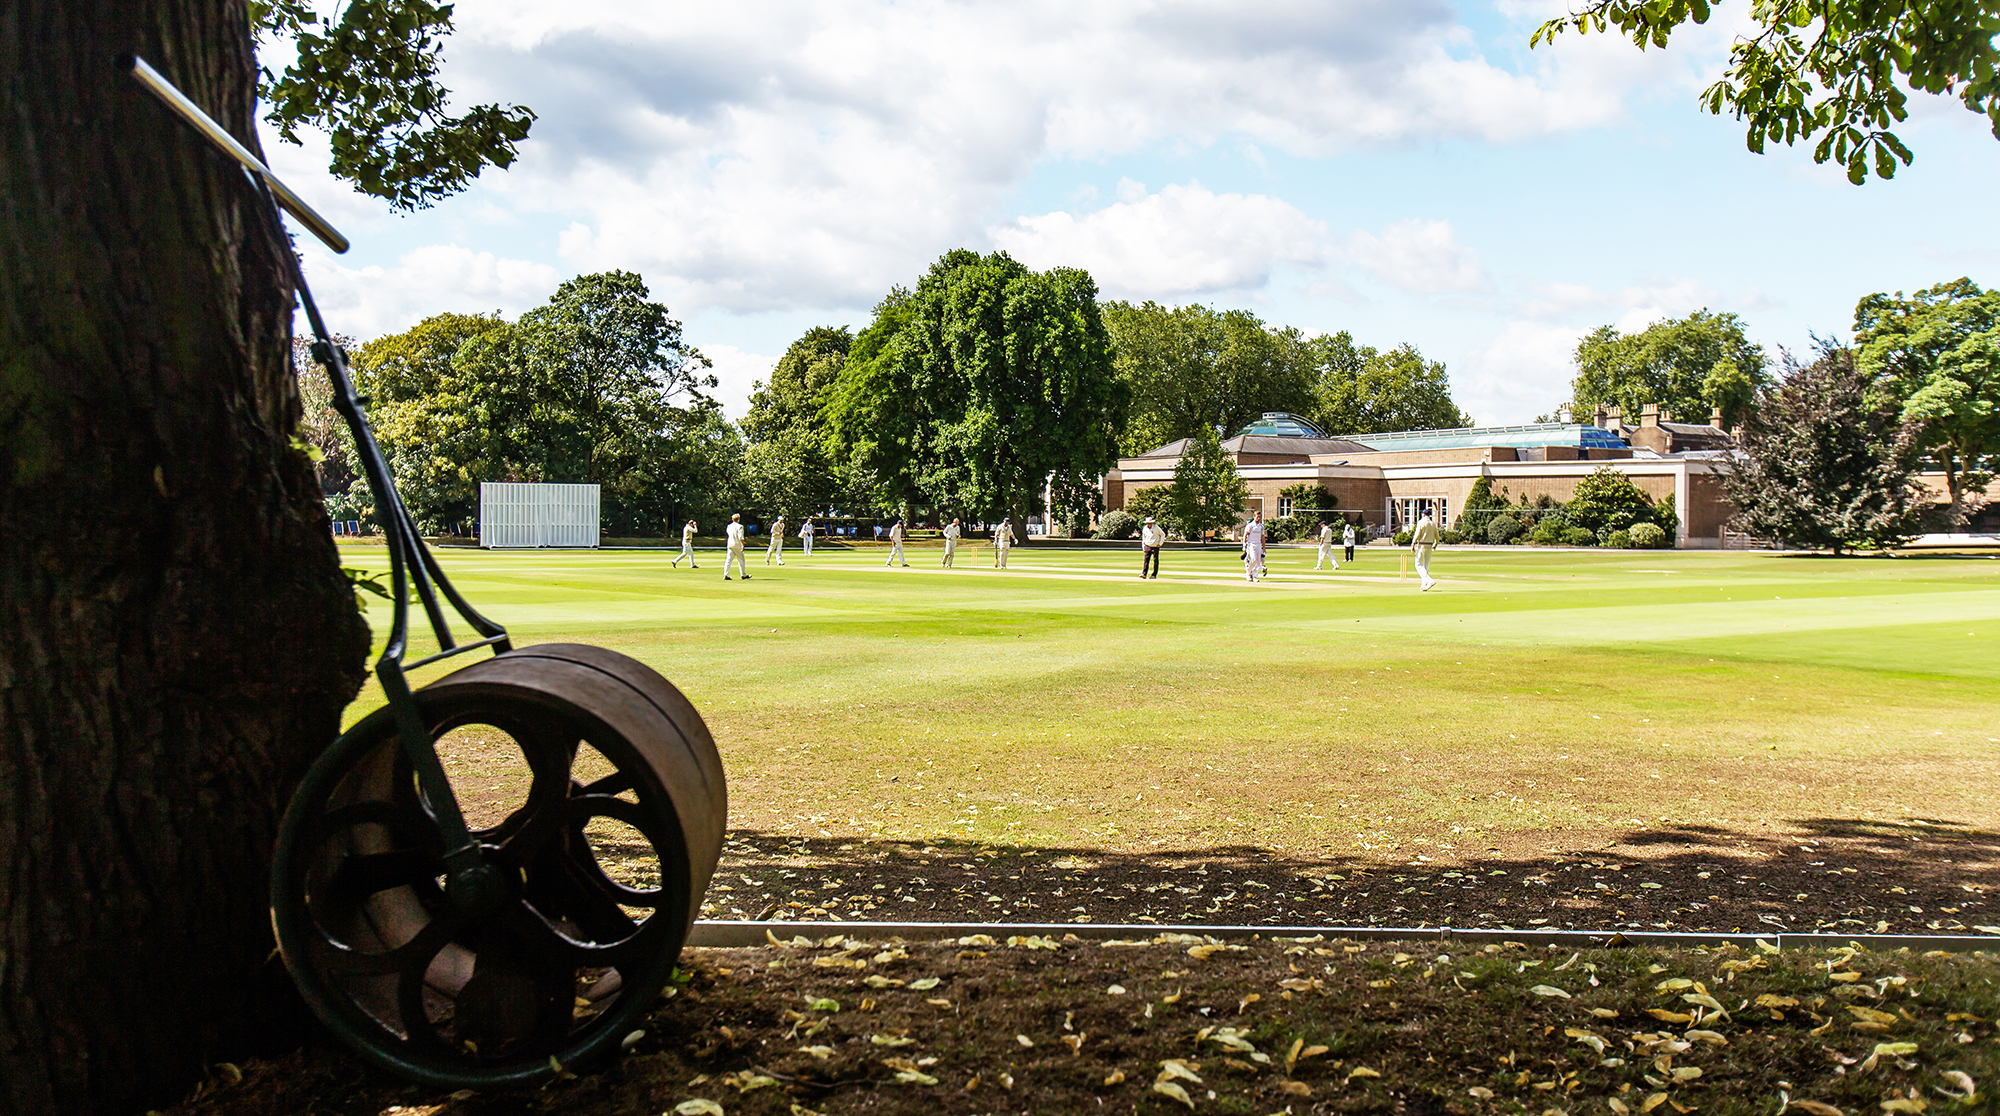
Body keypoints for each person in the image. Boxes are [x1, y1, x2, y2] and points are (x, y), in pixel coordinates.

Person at [1410, 509, 1440, 591]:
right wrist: (1435, 545)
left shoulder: (1421, 522)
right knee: (1425, 566)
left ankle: (1429, 580)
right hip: (1429, 546)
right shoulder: (1432, 524)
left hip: (1422, 546)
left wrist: (1413, 544)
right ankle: (1424, 585)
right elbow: (1437, 537)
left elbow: (1417, 534)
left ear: (1423, 515)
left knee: (1418, 565)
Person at [1241, 510, 1267, 581]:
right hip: (1251, 544)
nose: (1258, 518)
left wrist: (1264, 547)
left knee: (1258, 561)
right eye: (1257, 517)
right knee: (1254, 559)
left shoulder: (1261, 526)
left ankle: (1255, 576)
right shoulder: (1250, 526)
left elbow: (1262, 537)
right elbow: (1245, 535)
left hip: (1258, 544)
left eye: (1259, 517)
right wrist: (1244, 545)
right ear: (1254, 517)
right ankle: (1248, 572)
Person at [723, 513, 750, 580]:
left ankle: (726, 574)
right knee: (741, 559)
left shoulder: (729, 526)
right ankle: (743, 574)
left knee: (728, 560)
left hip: (730, 544)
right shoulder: (740, 526)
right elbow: (740, 537)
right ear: (738, 519)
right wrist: (742, 545)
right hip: (737, 544)